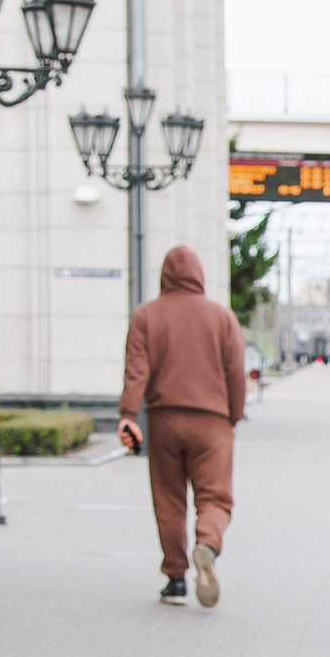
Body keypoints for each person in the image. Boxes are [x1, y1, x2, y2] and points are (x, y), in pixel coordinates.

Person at [118, 245, 244, 609]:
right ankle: (206, 544)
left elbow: (136, 369)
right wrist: (233, 416)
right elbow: (235, 371)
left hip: (164, 420)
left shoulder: (147, 315)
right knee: (215, 498)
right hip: (212, 423)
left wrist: (129, 413)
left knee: (169, 500)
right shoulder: (222, 317)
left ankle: (175, 580)